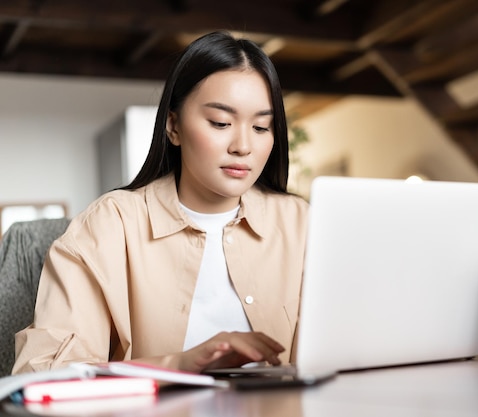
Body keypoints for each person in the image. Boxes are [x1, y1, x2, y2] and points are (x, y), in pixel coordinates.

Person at [12, 31, 309, 374]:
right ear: (173, 126)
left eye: (261, 127)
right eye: (221, 123)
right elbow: (44, 374)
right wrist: (177, 365)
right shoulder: (110, 226)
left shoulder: (301, 223)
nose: (243, 145)